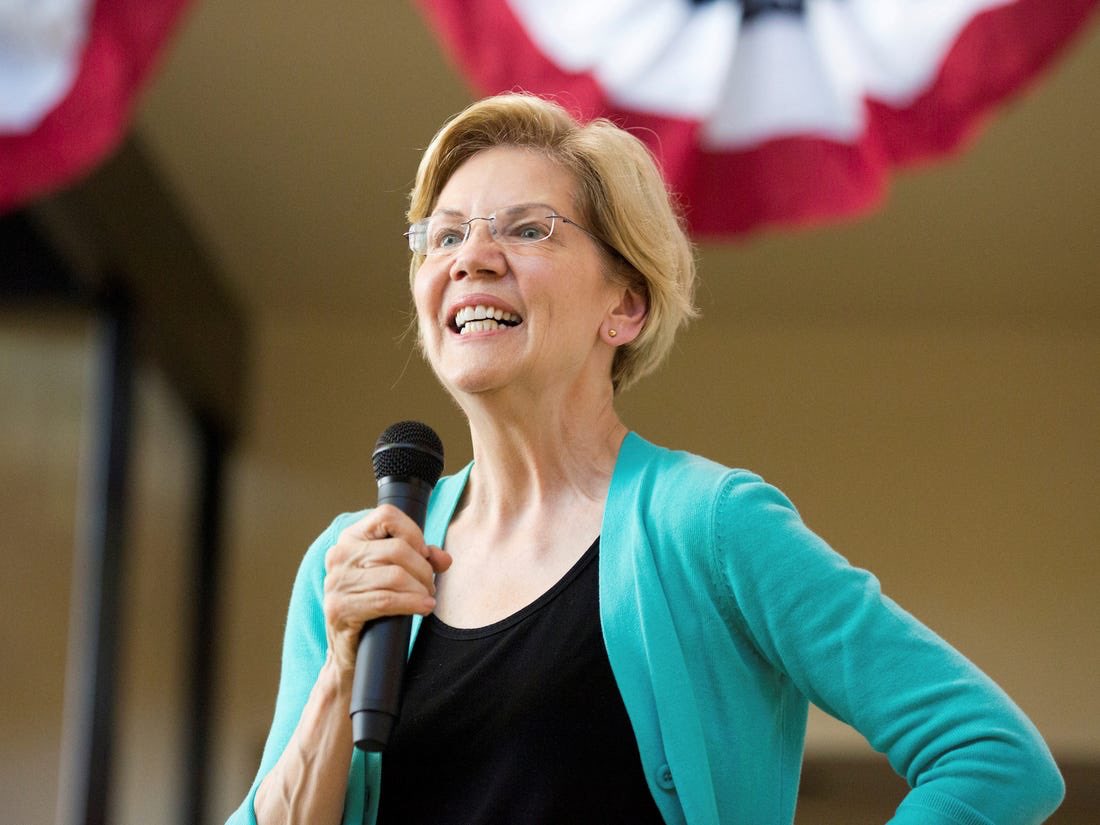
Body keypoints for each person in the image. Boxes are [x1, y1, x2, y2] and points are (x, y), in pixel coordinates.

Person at [228, 93, 1064, 825]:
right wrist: (339, 672)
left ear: (625, 304)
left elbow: (992, 755)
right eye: (443, 235)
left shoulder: (710, 524)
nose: (470, 257)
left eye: (527, 229)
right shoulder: (354, 564)